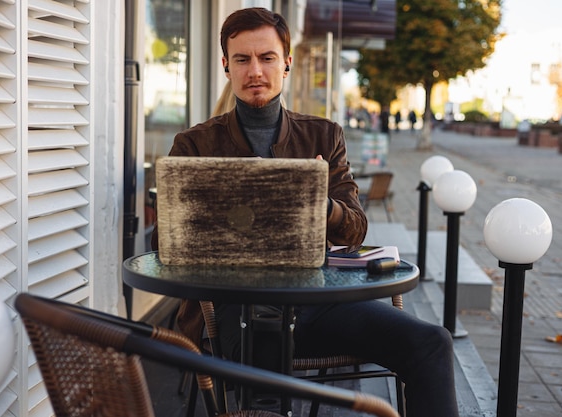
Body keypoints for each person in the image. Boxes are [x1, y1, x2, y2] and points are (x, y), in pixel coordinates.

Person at [152, 8, 459, 417]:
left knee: (432, 342)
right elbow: (163, 245)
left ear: (287, 64)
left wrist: (320, 202)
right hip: (235, 306)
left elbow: (356, 228)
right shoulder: (194, 145)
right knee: (263, 338)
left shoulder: (323, 135)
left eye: (267, 58)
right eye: (242, 59)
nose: (255, 70)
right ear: (226, 66)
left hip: (318, 301)